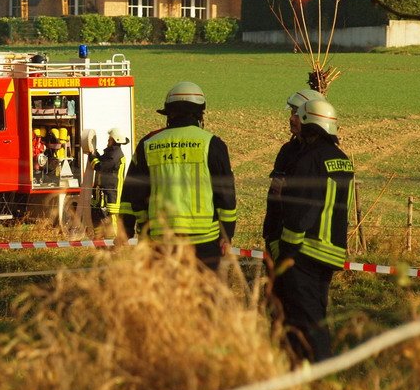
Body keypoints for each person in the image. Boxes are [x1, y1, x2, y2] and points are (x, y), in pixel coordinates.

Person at [118, 82, 237, 271]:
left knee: (165, 299)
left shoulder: (148, 144)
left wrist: (129, 228)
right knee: (204, 298)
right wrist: (227, 233)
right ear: (200, 114)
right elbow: (226, 196)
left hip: (160, 241)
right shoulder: (212, 144)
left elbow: (132, 194)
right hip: (205, 242)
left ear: (169, 114)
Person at [272, 99, 355, 363]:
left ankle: (316, 373)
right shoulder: (342, 160)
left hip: (305, 252)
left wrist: (285, 250)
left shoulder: (308, 160)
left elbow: (301, 214)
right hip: (331, 252)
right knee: (316, 314)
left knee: (304, 321)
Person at [263, 88, 326, 262]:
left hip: (307, 250)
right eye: (292, 112)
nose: (291, 118)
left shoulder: (321, 156)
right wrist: (270, 236)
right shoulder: (287, 151)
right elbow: (274, 196)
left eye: (297, 114)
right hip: (278, 241)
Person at [91, 128, 129, 234]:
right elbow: (101, 161)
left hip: (113, 192)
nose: (108, 141)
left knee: (112, 218)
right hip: (106, 191)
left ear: (114, 140)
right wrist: (95, 153)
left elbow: (100, 166)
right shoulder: (111, 153)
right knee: (99, 215)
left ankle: (113, 243)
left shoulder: (115, 156)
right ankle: (101, 241)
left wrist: (91, 157)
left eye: (109, 139)